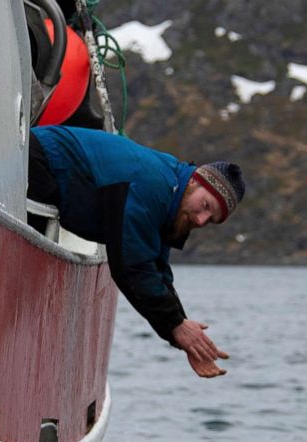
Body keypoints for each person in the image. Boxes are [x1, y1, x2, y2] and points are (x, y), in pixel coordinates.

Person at [28, 125, 245, 378]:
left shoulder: (171, 194)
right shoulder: (152, 184)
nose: (201, 220)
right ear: (195, 181)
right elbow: (132, 265)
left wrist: (183, 331)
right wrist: (176, 326)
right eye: (205, 205)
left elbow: (157, 269)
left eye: (211, 220)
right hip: (39, 159)